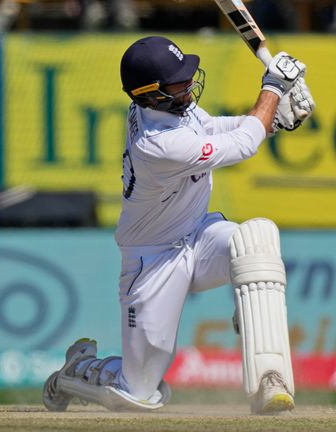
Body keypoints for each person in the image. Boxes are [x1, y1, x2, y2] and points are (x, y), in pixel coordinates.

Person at [43, 36, 314, 415]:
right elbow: (241, 146)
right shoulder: (157, 144)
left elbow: (218, 129)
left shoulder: (171, 108)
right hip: (152, 260)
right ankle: (78, 370)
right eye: (177, 83)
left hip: (198, 235)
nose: (188, 86)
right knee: (138, 394)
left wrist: (272, 119)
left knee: (257, 239)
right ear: (151, 95)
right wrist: (272, 90)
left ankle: (270, 381)